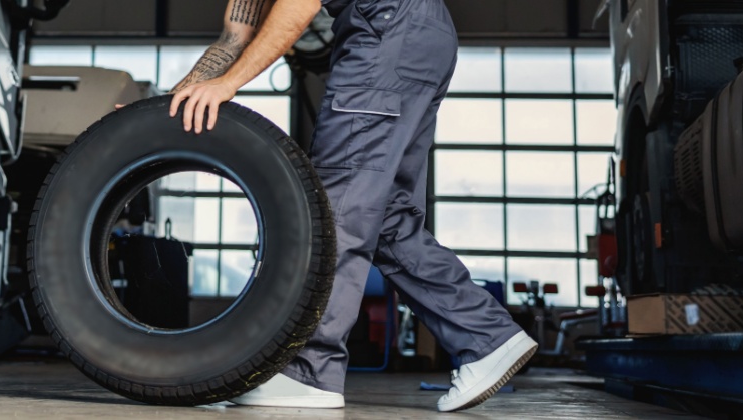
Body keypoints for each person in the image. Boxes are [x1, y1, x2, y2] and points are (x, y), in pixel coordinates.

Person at [167, 0, 537, 412]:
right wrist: (164, 109)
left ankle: (310, 371)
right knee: (386, 217)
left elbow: (298, 6)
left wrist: (230, 83)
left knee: (334, 213)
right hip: (417, 35)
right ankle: (486, 337)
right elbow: (234, 36)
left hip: (386, 33)